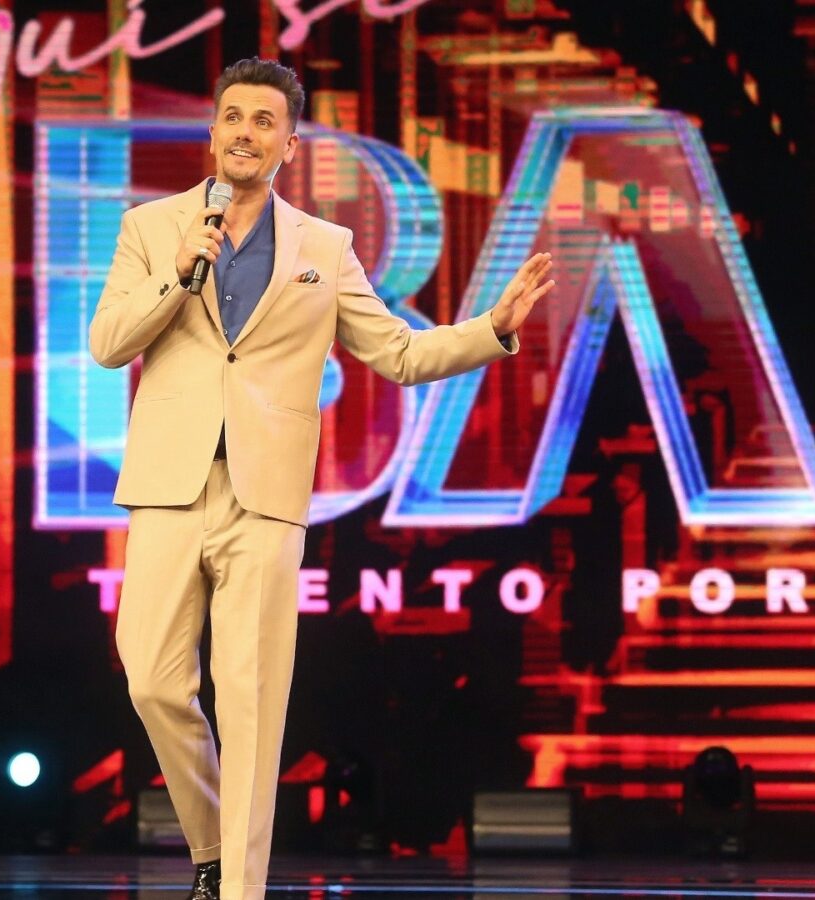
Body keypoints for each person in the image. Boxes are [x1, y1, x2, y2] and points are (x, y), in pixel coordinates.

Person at [88, 58, 554, 900]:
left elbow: (398, 354)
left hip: (266, 497)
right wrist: (178, 271)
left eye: (264, 122)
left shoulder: (324, 247)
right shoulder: (152, 228)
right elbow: (109, 343)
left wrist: (492, 329)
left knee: (252, 702)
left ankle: (240, 891)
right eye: (234, 117)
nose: (245, 133)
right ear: (213, 132)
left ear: (289, 146)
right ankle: (213, 846)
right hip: (167, 487)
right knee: (152, 680)